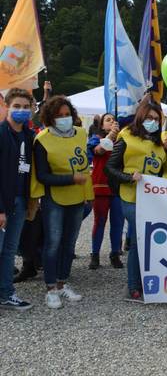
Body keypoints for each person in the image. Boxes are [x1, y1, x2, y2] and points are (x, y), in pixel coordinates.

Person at [31, 95, 93, 309]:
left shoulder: (81, 134)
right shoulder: (42, 139)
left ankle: (62, 283)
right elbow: (43, 176)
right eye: (59, 116)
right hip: (54, 198)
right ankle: (50, 289)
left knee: (69, 243)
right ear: (50, 118)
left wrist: (87, 193)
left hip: (77, 197)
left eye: (67, 115)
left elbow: (84, 165)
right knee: (53, 244)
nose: (64, 119)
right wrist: (70, 179)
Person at [105, 101, 167, 302]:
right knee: (140, 237)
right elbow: (110, 168)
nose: (153, 122)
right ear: (141, 118)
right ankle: (133, 286)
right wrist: (128, 177)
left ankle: (142, 282)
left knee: (143, 240)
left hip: (151, 201)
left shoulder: (159, 146)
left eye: (156, 119)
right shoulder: (126, 137)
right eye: (149, 118)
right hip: (130, 197)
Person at [0, 88, 35, 310]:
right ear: (7, 107)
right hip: (3, 203)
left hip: (21, 201)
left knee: (10, 250)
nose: (21, 111)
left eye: (25, 107)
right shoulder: (1, 134)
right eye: (17, 106)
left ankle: (6, 293)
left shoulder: (30, 136)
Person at [87, 113, 123, 270]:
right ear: (102, 125)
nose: (112, 122)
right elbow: (99, 151)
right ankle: (95, 254)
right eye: (108, 120)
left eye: (114, 120)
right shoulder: (95, 138)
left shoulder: (123, 140)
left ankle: (115, 254)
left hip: (118, 187)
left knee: (118, 223)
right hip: (101, 186)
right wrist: (110, 135)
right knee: (99, 221)